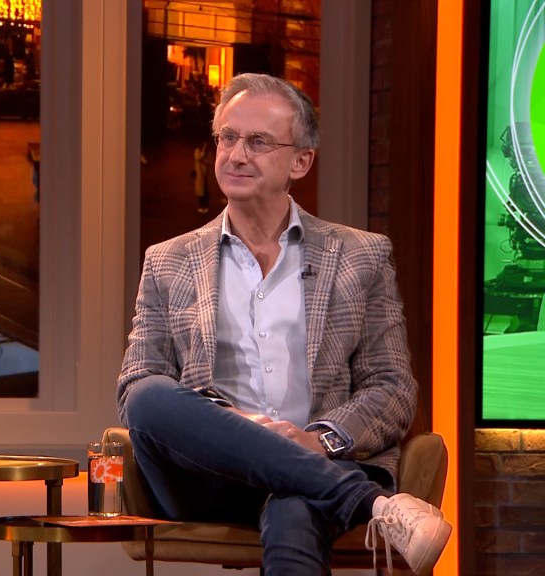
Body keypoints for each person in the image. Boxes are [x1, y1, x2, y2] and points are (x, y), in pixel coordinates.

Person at [117, 73, 451, 576]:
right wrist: (235, 428)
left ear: (301, 162)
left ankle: (320, 480)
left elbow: (393, 389)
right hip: (206, 477)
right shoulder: (169, 261)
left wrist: (320, 441)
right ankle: (373, 504)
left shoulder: (360, 256)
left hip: (321, 462)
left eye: (258, 142)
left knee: (295, 504)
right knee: (148, 396)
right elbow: (134, 388)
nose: (236, 155)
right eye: (228, 137)